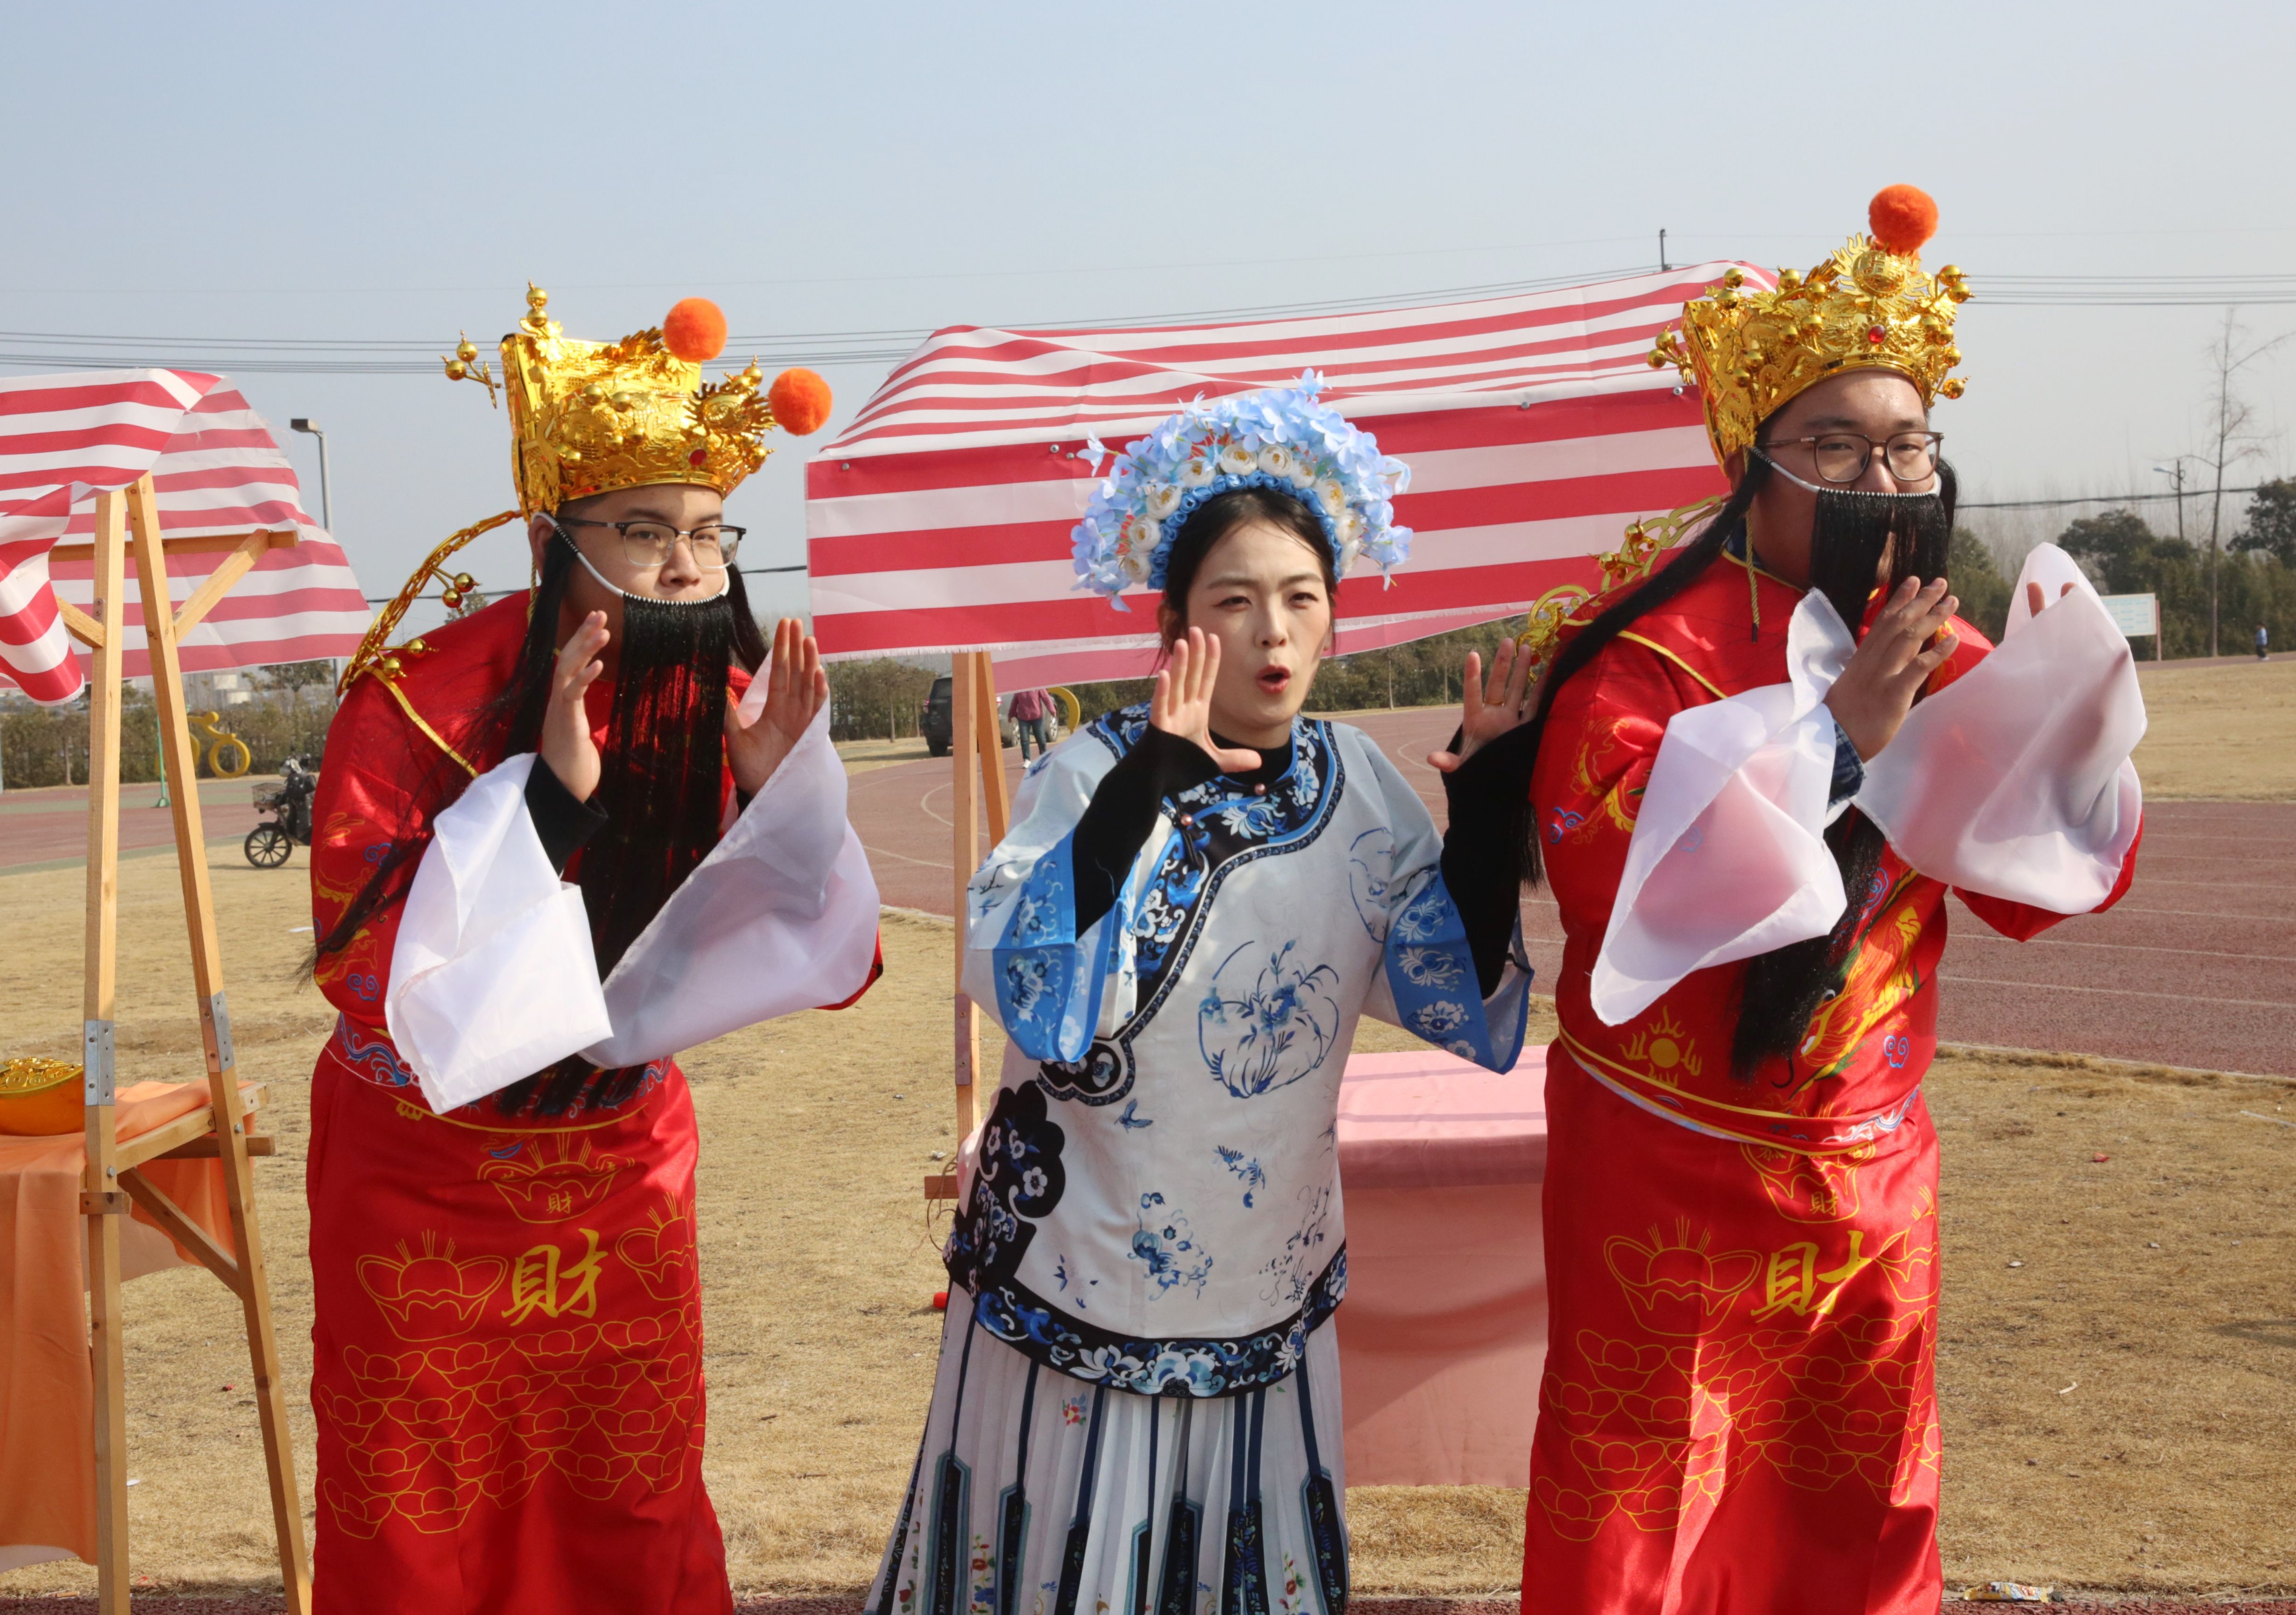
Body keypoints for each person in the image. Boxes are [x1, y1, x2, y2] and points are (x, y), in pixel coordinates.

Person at [1461, 188, 2146, 1612]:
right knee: (1639, 1506)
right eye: (1833, 443)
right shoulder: (1645, 658)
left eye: (1905, 444)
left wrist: (2076, 740)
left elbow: (2036, 880)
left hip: (1869, 1174)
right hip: (1667, 1165)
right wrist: (1836, 742)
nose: (1878, 476)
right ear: (1748, 462)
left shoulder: (1936, 642)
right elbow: (1615, 881)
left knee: (1865, 1504)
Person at [869, 376, 1537, 1615]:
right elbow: (1030, 989)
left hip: (1267, 1268)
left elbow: (1448, 985)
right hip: (1077, 1264)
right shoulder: (1090, 769)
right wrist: (1145, 793)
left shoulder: (1354, 778)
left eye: (1301, 598)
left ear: (1333, 621)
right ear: (1177, 625)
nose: (1273, 633)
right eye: (1235, 601)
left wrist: (1490, 804)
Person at [305, 286, 882, 1615]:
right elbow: (369, 971)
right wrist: (550, 806)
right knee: (423, 1505)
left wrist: (779, 798)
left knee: (632, 1492)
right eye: (644, 531)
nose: (685, 567)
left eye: (706, 533)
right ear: (550, 538)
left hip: (619, 1168)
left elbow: (829, 960)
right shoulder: (414, 701)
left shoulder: (726, 705)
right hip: (424, 1175)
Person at [1009, 686, 1052, 760]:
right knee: (1024, 739)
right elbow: (1014, 703)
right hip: (1023, 718)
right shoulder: (1019, 690)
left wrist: (1052, 711)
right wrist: (1010, 715)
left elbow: (1046, 699)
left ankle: (1044, 756)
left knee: (1041, 738)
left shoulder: (1038, 687)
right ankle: (1027, 759)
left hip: (1037, 717)